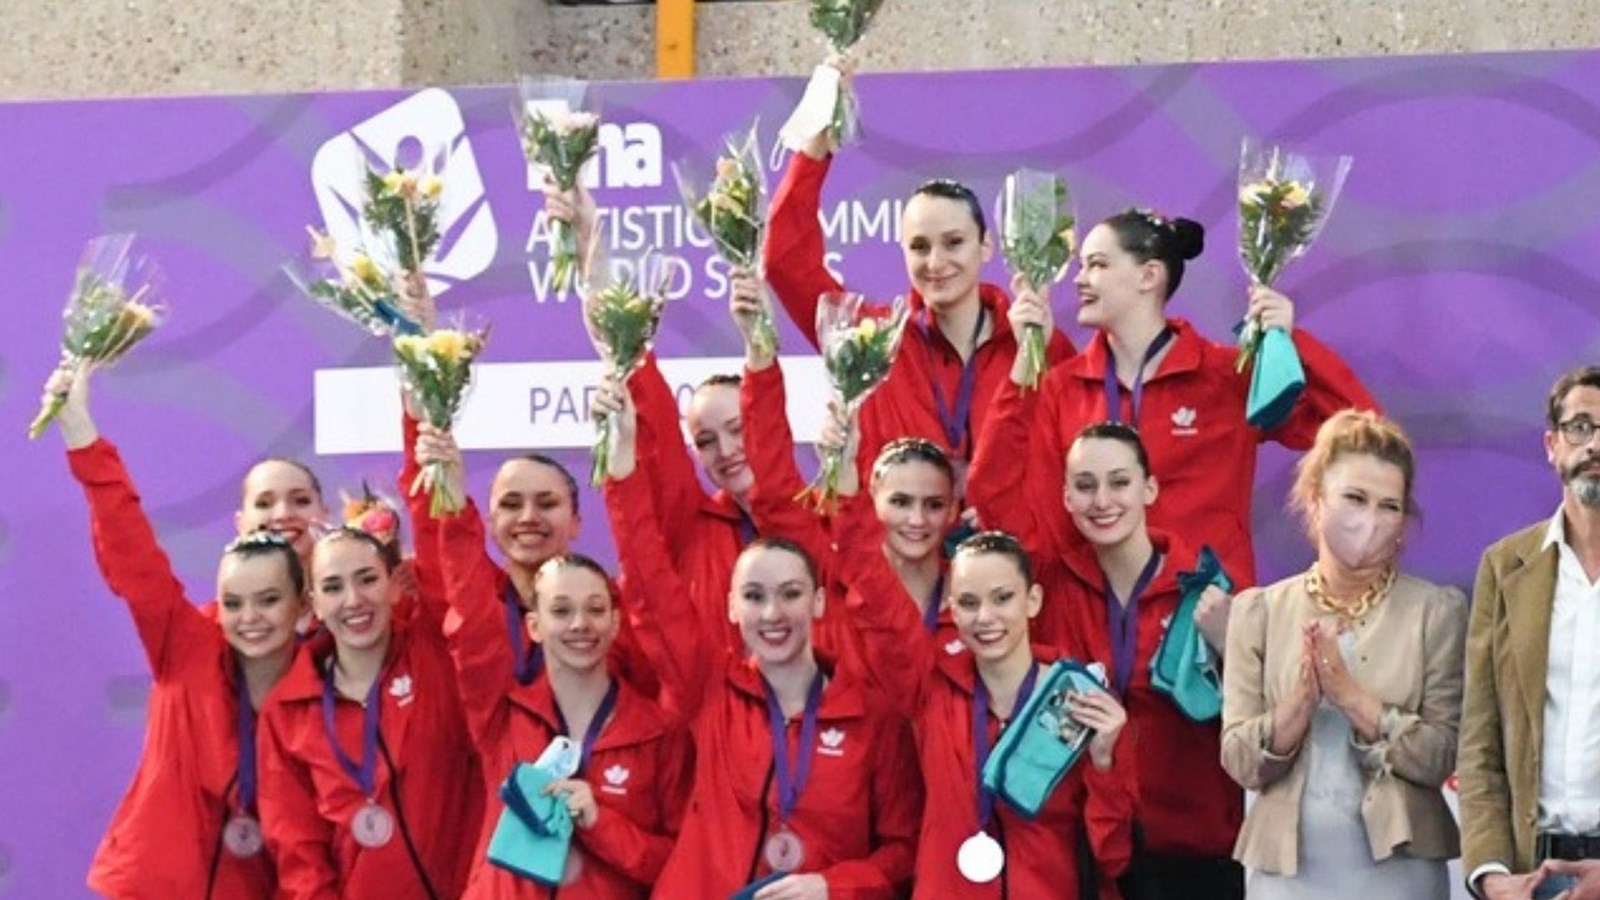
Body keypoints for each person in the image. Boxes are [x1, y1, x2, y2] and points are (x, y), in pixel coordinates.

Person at [600, 382, 921, 898]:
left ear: (819, 602)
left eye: (791, 593)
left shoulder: (871, 716)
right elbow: (648, 585)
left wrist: (833, 885)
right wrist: (621, 476)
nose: (772, 614)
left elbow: (903, 850)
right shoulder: (708, 687)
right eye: (753, 596)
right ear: (731, 608)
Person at [825, 402, 1135, 898]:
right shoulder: (929, 686)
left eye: (1003, 598)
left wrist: (1104, 762)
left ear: (1033, 600)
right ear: (951, 604)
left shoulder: (1075, 697)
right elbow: (875, 594)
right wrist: (845, 487)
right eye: (968, 602)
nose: (985, 618)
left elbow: (1113, 852)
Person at [985, 208, 1376, 589]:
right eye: (1082, 266)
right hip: (1099, 624)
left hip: (1206, 622)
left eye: (1097, 265)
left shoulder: (1225, 377)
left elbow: (1359, 431)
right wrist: (1024, 362)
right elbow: (1003, 496)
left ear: (1149, 275)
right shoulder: (1063, 387)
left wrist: (1289, 342)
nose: (1080, 280)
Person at [49, 364, 303, 899]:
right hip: (154, 888)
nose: (249, 617)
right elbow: (134, 558)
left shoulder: (327, 672)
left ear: (301, 600)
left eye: (268, 601)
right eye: (234, 602)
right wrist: (81, 435)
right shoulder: (187, 643)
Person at [1221, 409, 1465, 899]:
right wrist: (1299, 704)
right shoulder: (1259, 612)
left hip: (1402, 872)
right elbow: (1240, 760)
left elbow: (1441, 755)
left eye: (1389, 506)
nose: (1370, 520)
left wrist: (1353, 699)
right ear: (1315, 501)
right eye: (1354, 498)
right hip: (1287, 878)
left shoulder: (1436, 611)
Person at [431, 440, 691, 898]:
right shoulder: (501, 715)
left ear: (616, 621)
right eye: (561, 610)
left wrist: (600, 823)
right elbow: (471, 617)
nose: (578, 625)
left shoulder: (657, 733)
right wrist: (451, 508)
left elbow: (678, 865)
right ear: (533, 624)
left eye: (595, 609)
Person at [764, 127, 1075, 499]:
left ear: (986, 245)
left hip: (1006, 553)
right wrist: (814, 149)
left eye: (954, 243)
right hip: (897, 549)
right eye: (919, 246)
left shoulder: (1038, 344)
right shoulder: (873, 340)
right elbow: (787, 260)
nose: (935, 262)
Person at [544, 182, 760, 653]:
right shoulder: (690, 524)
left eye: (738, 430)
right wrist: (591, 255)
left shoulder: (816, 521)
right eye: (705, 441)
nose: (724, 451)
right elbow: (644, 393)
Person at [730, 265, 960, 645]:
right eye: (900, 502)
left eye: (934, 504)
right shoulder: (833, 566)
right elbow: (772, 483)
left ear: (953, 511)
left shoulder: (975, 593)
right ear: (871, 500)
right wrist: (760, 352)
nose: (916, 519)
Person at [257, 527, 483, 899]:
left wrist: (431, 476)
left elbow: (445, 549)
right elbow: (300, 856)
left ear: (394, 585)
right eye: (332, 587)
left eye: (367, 579)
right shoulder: (286, 712)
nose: (353, 600)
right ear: (313, 604)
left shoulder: (434, 654)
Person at [1459, 365, 1600, 900]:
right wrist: (1493, 878)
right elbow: (1480, 745)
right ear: (1552, 444)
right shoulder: (1504, 567)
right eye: (1580, 426)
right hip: (1529, 876)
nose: (1594, 445)